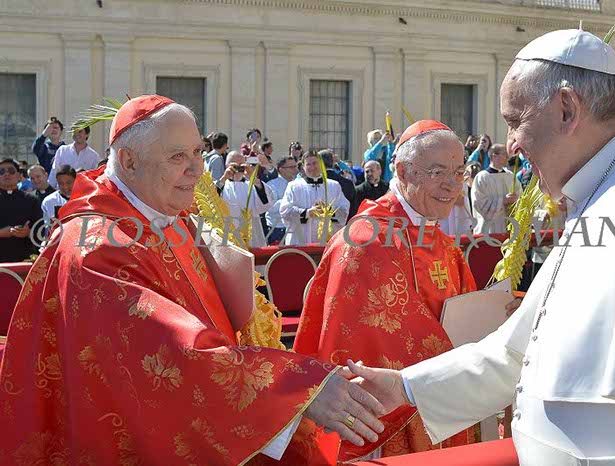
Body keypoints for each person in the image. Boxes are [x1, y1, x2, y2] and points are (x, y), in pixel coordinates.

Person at [344, 28, 615, 465]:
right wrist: (404, 387)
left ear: (566, 109)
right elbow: (516, 352)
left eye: (515, 121)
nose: (510, 143)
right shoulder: (594, 193)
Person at [0, 95, 387, 464]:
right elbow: (171, 357)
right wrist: (298, 388)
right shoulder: (98, 246)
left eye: (198, 153)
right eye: (177, 157)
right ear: (129, 160)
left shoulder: (167, 216)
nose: (197, 170)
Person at [294, 120, 495, 462]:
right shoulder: (364, 242)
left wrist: (495, 318)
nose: (452, 185)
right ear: (402, 172)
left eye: (459, 172)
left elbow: (466, 312)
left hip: (440, 403)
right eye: (437, 172)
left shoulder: (441, 241)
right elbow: (362, 345)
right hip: (386, 425)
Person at [279, 150, 349, 245]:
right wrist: (307, 213)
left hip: (327, 239)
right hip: (300, 240)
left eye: (315, 163)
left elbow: (344, 210)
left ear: (321, 164)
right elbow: (285, 211)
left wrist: (329, 211)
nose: (312, 167)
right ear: (303, 167)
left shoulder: (333, 186)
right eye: (308, 164)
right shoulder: (294, 186)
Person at [219, 151, 274, 248]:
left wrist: (253, 178)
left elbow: (265, 205)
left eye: (241, 165)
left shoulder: (252, 185)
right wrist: (224, 178)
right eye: (234, 165)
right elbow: (212, 198)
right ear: (226, 165)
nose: (237, 168)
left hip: (252, 236)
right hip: (228, 236)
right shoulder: (222, 184)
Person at [471, 143, 522, 234]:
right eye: (504, 154)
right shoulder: (482, 177)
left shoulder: (510, 176)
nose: (507, 157)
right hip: (489, 230)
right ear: (494, 156)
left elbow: (520, 196)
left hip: (509, 228)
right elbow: (479, 203)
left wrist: (516, 199)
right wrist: (502, 201)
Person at [0, 158, 42, 262]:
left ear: (19, 176)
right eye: (1, 171)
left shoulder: (31, 200)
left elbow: (40, 231)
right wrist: (1, 233)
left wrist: (28, 233)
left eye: (11, 171)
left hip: (23, 258)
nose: (6, 174)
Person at [266, 156, 299, 244]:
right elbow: (270, 207)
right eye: (292, 167)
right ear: (281, 170)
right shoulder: (272, 185)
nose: (296, 170)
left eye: (296, 166)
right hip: (277, 228)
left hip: (296, 227)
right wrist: (289, 200)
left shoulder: (299, 184)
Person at [319, 149, 357, 219]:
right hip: (343, 222)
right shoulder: (348, 183)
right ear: (333, 162)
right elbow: (353, 209)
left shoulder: (314, 183)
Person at [41, 164, 76, 229]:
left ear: (75, 181)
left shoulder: (85, 199)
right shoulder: (48, 202)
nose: (65, 187)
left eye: (68, 183)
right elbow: (46, 228)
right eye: (61, 183)